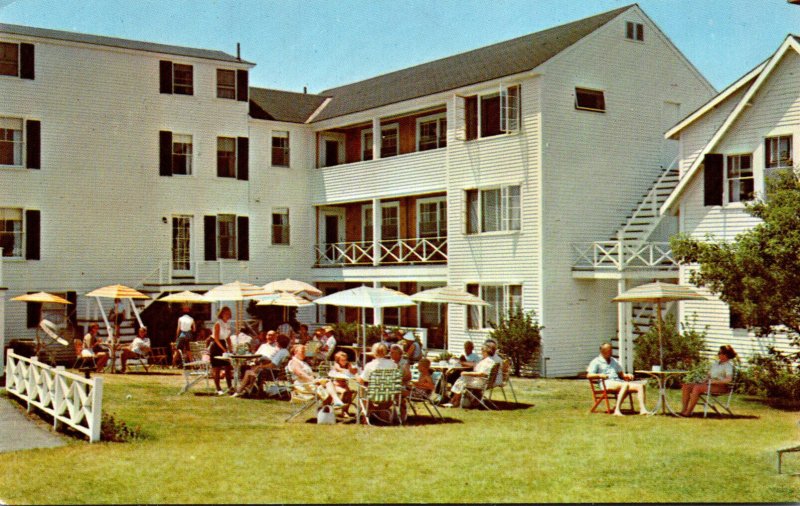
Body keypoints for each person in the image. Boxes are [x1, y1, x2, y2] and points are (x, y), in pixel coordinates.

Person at [586, 342, 648, 416]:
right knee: (625, 385)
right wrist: (600, 375)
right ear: (603, 351)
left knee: (640, 386)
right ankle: (617, 410)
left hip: (618, 381)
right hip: (606, 383)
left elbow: (621, 374)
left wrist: (627, 375)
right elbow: (589, 375)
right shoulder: (596, 361)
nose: (611, 352)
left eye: (610, 350)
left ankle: (643, 409)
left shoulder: (614, 361)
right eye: (609, 351)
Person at [679, 345, 737, 417]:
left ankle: (688, 412)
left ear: (725, 355)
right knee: (686, 386)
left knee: (697, 388)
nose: (718, 354)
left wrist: (715, 382)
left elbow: (729, 379)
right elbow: (709, 375)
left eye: (720, 352)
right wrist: (704, 381)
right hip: (710, 384)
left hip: (721, 387)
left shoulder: (728, 366)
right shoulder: (716, 363)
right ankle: (683, 410)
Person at [445, 344, 498, 408]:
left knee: (462, 378)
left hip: (480, 382)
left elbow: (481, 373)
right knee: (462, 378)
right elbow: (475, 366)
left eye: (482, 351)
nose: (481, 352)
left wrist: (466, 373)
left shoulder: (487, 361)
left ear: (485, 351)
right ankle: (454, 400)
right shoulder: (489, 360)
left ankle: (454, 401)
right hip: (482, 381)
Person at [210, 306, 234, 396]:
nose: (227, 315)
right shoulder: (218, 323)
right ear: (222, 314)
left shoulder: (227, 324)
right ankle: (218, 388)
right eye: (226, 313)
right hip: (216, 346)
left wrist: (230, 347)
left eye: (229, 314)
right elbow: (216, 338)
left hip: (223, 344)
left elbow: (227, 337)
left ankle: (230, 387)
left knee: (228, 367)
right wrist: (223, 349)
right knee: (217, 369)